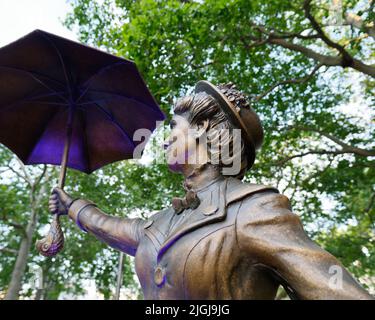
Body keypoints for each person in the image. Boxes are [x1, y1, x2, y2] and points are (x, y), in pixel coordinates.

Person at [49, 81, 373, 300]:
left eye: (174, 127)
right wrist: (71, 205)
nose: (164, 139)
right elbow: (113, 227)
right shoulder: (160, 221)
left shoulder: (255, 209)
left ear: (202, 127)